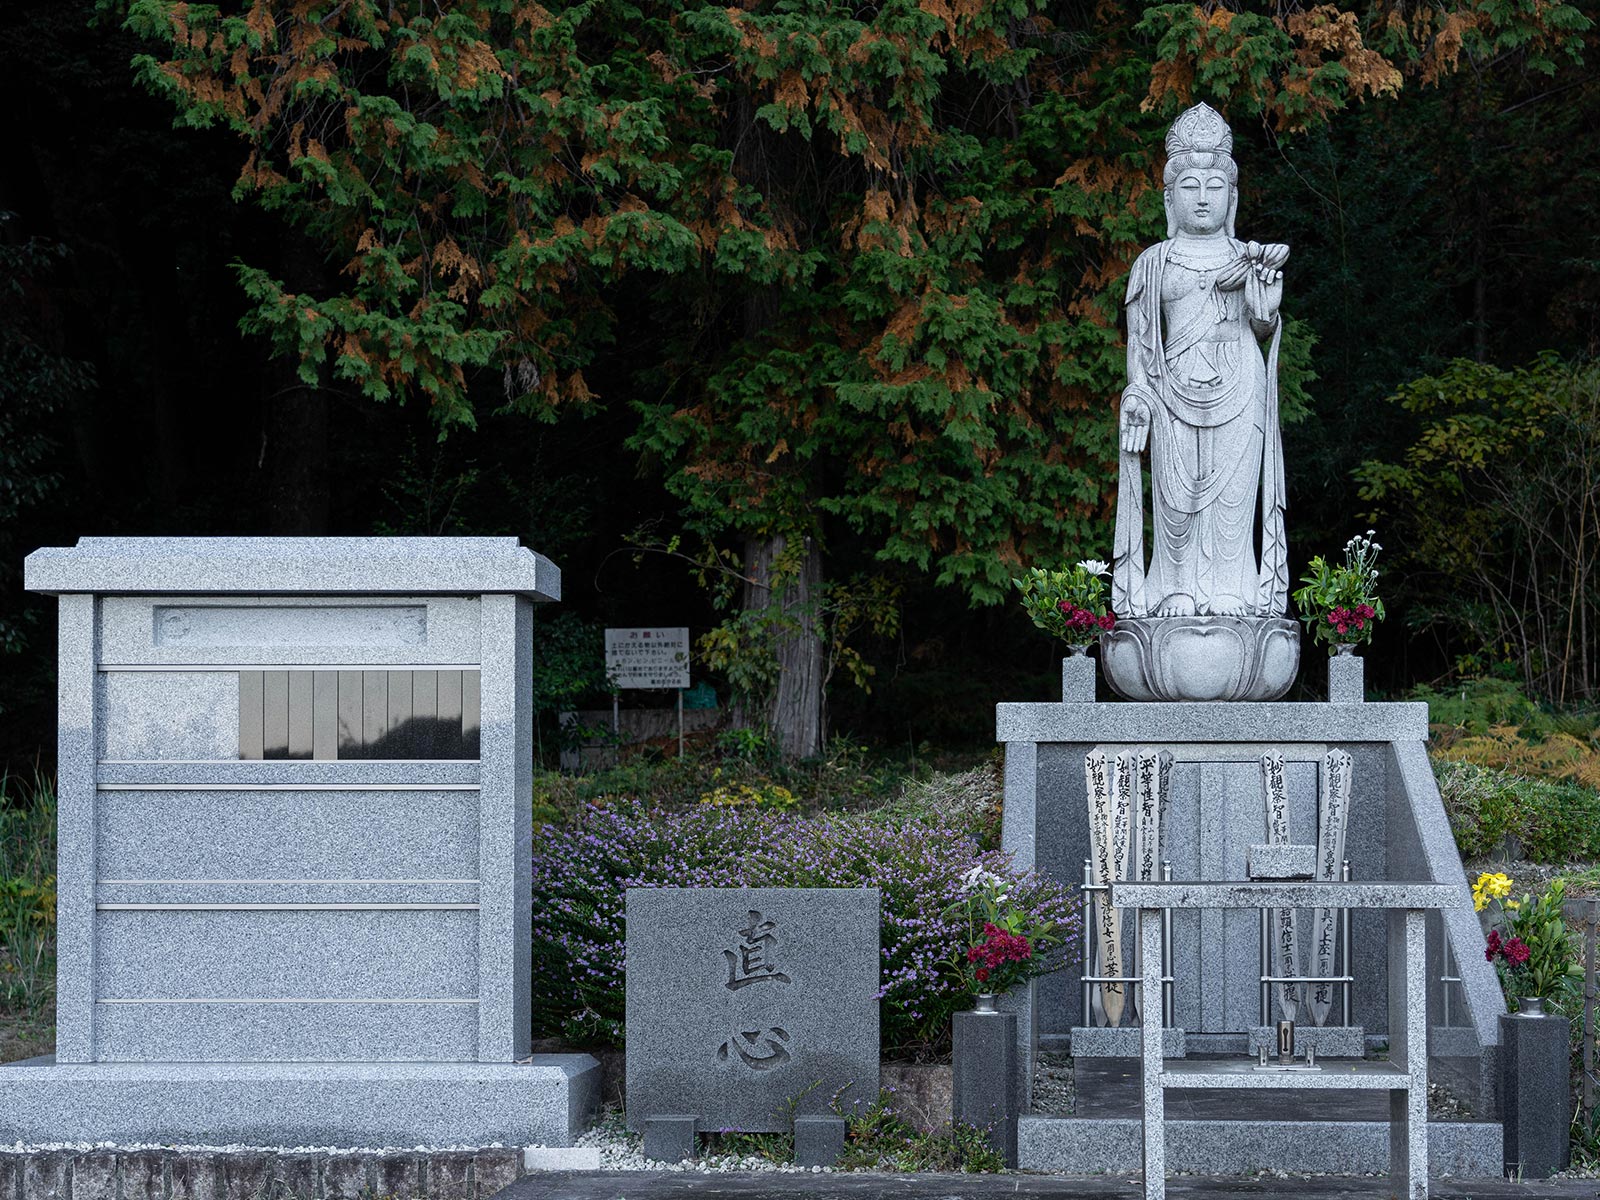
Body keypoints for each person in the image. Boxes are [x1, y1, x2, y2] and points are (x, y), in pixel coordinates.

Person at [1112, 102, 1289, 621]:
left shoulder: (1246, 256)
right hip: (1171, 391)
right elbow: (1141, 349)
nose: (1204, 197)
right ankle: (1175, 587)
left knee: (1233, 503)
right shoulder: (1153, 263)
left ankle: (1234, 587)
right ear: (1170, 197)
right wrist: (1138, 398)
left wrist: (1266, 308)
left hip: (1240, 386)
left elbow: (1260, 326)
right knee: (1177, 501)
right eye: (1191, 186)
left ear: (1232, 196)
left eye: (1215, 187)